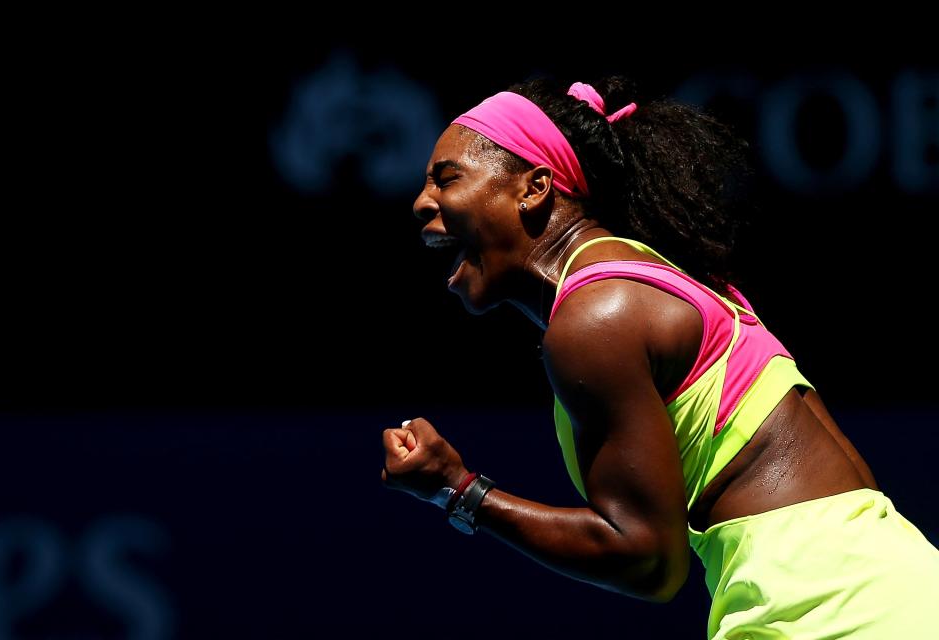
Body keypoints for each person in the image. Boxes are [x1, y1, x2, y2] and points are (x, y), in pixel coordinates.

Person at [380, 76, 939, 638]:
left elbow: (647, 560)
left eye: (448, 179)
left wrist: (458, 489)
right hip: (877, 585)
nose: (422, 201)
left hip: (830, 608)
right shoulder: (635, 282)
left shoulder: (596, 318)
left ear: (535, 187)